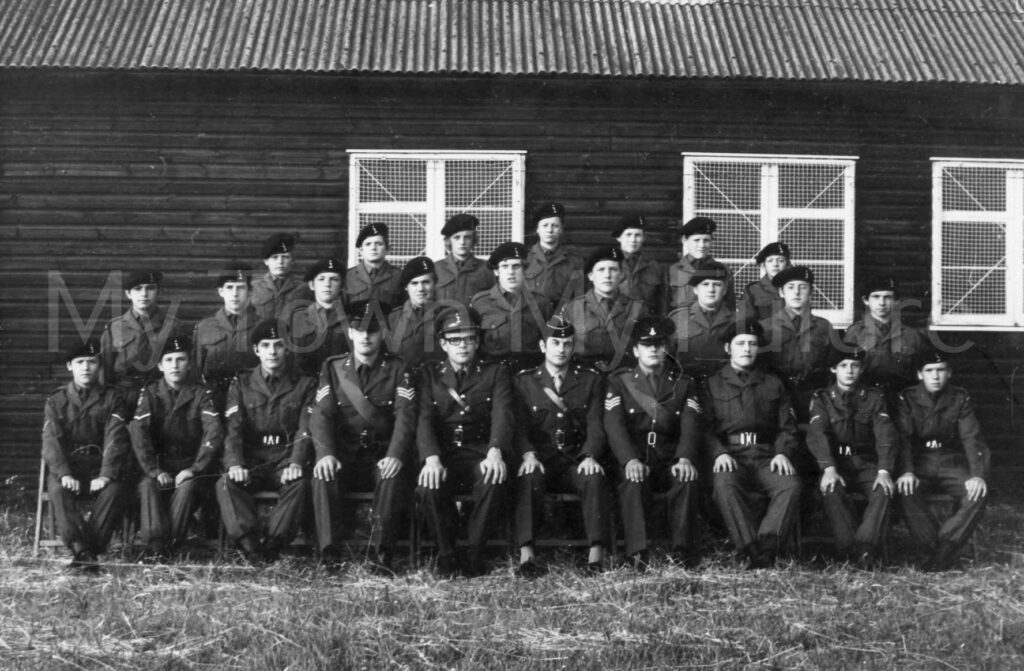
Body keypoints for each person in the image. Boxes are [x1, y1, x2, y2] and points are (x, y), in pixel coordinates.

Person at [308, 301, 417, 572]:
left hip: (381, 453)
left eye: (373, 330)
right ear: (350, 332)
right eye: (359, 330)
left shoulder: (398, 368)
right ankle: (329, 554)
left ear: (383, 334)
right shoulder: (333, 368)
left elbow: (405, 416)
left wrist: (395, 455)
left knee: (392, 475)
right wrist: (326, 454)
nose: (365, 336)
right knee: (323, 473)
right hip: (345, 454)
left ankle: (382, 555)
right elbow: (321, 415)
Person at [415, 306, 514, 577]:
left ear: (478, 341)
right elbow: (423, 418)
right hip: (443, 451)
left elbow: (503, 413)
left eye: (469, 339)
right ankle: (446, 555)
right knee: (429, 484)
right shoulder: (429, 374)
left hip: (479, 450)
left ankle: (474, 554)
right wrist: (431, 458)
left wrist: (495, 451)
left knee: (493, 478)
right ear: (443, 343)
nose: (463, 345)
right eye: (455, 339)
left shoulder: (496, 372)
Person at [512, 316, 612, 575]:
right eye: (555, 343)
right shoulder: (525, 381)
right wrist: (528, 454)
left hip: (574, 459)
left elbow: (596, 424)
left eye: (567, 344)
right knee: (528, 477)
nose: (561, 349)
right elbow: (519, 428)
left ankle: (595, 555)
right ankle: (527, 555)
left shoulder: (590, 380)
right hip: (541, 459)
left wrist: (590, 455)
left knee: (593, 477)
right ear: (542, 346)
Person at [702, 319, 802, 569]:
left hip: (766, 455)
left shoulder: (773, 383)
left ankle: (767, 545)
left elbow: (787, 426)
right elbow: (704, 429)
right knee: (724, 485)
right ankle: (749, 548)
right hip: (731, 455)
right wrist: (718, 453)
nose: (747, 349)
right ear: (728, 348)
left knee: (789, 485)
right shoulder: (712, 384)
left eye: (752, 344)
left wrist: (782, 453)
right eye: (740, 343)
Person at [604, 317, 702, 568]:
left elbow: (690, 424)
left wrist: (684, 458)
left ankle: (682, 552)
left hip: (669, 458)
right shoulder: (620, 382)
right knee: (633, 480)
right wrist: (629, 460)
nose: (653, 350)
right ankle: (637, 553)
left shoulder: (683, 383)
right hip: (636, 456)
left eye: (659, 345)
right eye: (647, 345)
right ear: (636, 350)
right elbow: (614, 425)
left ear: (666, 349)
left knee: (686, 478)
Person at [217, 320, 316, 562]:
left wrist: (296, 463)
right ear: (256, 350)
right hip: (253, 458)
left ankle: (273, 545)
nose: (272, 352)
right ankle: (250, 546)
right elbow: (234, 428)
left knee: (299, 483)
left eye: (278, 345)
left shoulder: (305, 383)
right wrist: (235, 464)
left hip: (284, 457)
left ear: (287, 348)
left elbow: (305, 428)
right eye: (265, 345)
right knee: (226, 483)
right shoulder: (241, 383)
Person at [129, 335, 223, 558]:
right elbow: (139, 434)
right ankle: (155, 544)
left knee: (188, 486)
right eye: (169, 360)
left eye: (181, 359)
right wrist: (154, 470)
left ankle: (170, 545)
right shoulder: (149, 393)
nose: (175, 365)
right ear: (160, 366)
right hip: (158, 465)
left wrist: (194, 469)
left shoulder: (201, 393)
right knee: (147, 485)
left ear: (189, 364)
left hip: (191, 465)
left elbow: (214, 431)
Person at [895, 349, 990, 571]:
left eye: (940, 370)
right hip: (920, 461)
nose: (935, 376)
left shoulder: (959, 397)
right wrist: (907, 471)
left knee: (978, 492)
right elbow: (904, 439)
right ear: (919, 374)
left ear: (949, 373)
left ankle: (944, 548)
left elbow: (971, 437)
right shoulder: (907, 398)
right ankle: (937, 550)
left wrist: (977, 475)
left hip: (950, 461)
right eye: (929, 370)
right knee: (905, 490)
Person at [42, 339, 130, 570]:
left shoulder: (112, 397)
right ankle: (82, 549)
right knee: (58, 489)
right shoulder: (57, 400)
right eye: (80, 362)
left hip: (100, 465)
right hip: (70, 466)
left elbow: (116, 437)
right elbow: (51, 441)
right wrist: (64, 474)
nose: (86, 367)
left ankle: (85, 552)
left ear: (99, 366)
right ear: (69, 366)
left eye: (91, 362)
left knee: (115, 490)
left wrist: (106, 474)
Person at [806, 346, 896, 566]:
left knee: (883, 489)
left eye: (855, 366)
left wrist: (884, 470)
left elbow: (885, 434)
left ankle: (865, 547)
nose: (849, 371)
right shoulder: (822, 398)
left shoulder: (874, 398)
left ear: (861, 369)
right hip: (837, 464)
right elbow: (818, 434)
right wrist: (829, 468)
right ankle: (849, 549)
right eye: (843, 366)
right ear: (833, 369)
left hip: (866, 463)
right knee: (831, 489)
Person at [759, 265, 835, 423]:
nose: (796, 292)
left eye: (803, 287)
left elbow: (832, 365)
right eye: (790, 287)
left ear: (811, 292)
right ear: (781, 292)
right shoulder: (766, 327)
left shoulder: (823, 327)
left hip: (813, 395)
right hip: (777, 395)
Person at [101, 269, 183, 410]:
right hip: (123, 396)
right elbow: (105, 371)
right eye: (138, 289)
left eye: (150, 288)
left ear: (158, 292)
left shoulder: (172, 326)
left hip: (159, 396)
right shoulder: (115, 327)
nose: (144, 294)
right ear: (128, 294)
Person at [559, 245, 649, 372]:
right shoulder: (572, 309)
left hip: (623, 374)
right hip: (584, 374)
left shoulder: (637, 309)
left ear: (621, 275)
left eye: (613, 269)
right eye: (601, 270)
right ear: (591, 276)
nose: (607, 275)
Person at [470, 242, 552, 372]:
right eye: (504, 266)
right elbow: (473, 343)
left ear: (524, 270)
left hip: (530, 372)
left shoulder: (541, 303)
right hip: (492, 372)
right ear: (496, 271)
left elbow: (550, 343)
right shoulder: (480, 303)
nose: (511, 272)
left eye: (516, 266)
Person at [843, 276, 925, 400]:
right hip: (865, 399)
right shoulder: (855, 333)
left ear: (896, 301)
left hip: (902, 398)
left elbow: (920, 374)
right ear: (866, 300)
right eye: (876, 297)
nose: (882, 303)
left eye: (888, 297)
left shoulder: (911, 335)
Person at [193, 265, 260, 411]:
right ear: (221, 291)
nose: (235, 294)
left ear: (250, 291)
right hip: (214, 399)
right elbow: (196, 370)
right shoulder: (205, 327)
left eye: (240, 288)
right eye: (229, 287)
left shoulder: (261, 325)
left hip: (251, 399)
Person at [668, 259, 735, 380]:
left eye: (717, 285)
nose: (711, 289)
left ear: (725, 290)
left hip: (723, 385)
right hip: (686, 383)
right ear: (695, 289)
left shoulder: (737, 320)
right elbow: (667, 358)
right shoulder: (678, 319)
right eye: (705, 284)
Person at [289, 257, 350, 377]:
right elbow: (291, 358)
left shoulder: (350, 318)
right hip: (306, 382)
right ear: (312, 285)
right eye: (321, 279)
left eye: (334, 279)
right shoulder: (298, 318)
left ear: (342, 285)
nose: (327, 284)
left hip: (341, 382)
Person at [524, 202, 584, 310]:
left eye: (555, 226)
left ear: (561, 229)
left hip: (563, 316)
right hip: (531, 315)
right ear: (537, 229)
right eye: (545, 225)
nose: (549, 230)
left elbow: (580, 296)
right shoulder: (525, 258)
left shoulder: (574, 261)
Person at [387, 256, 443, 371]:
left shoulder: (446, 315)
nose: (420, 288)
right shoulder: (392, 318)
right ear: (406, 287)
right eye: (414, 283)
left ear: (435, 284)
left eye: (426, 282)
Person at [668, 216, 735, 312]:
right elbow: (665, 305)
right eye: (696, 240)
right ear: (684, 240)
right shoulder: (673, 270)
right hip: (682, 320)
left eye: (706, 240)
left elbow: (730, 305)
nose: (702, 245)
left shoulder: (723, 270)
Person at [434, 214, 495, 306]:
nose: (462, 242)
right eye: (457, 237)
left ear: (473, 240)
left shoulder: (486, 269)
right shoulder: (436, 269)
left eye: (467, 237)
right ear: (449, 241)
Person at [614, 214, 667, 314]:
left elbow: (663, 303)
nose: (633, 240)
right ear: (618, 237)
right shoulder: (608, 264)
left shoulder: (655, 267)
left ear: (644, 238)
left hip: (646, 320)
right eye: (628, 235)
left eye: (637, 235)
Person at [250, 232, 311, 320]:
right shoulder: (254, 287)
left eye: (285, 257)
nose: (280, 262)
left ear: (293, 260)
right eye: (275, 257)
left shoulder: (304, 288)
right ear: (266, 261)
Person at [343, 222, 403, 308]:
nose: (373, 248)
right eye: (368, 244)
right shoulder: (349, 276)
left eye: (379, 244)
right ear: (361, 250)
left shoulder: (398, 276)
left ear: (387, 249)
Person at [740, 242, 791, 322]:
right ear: (763, 265)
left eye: (781, 260)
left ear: (787, 264)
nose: (775, 264)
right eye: (770, 261)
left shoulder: (795, 289)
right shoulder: (752, 290)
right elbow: (742, 323)